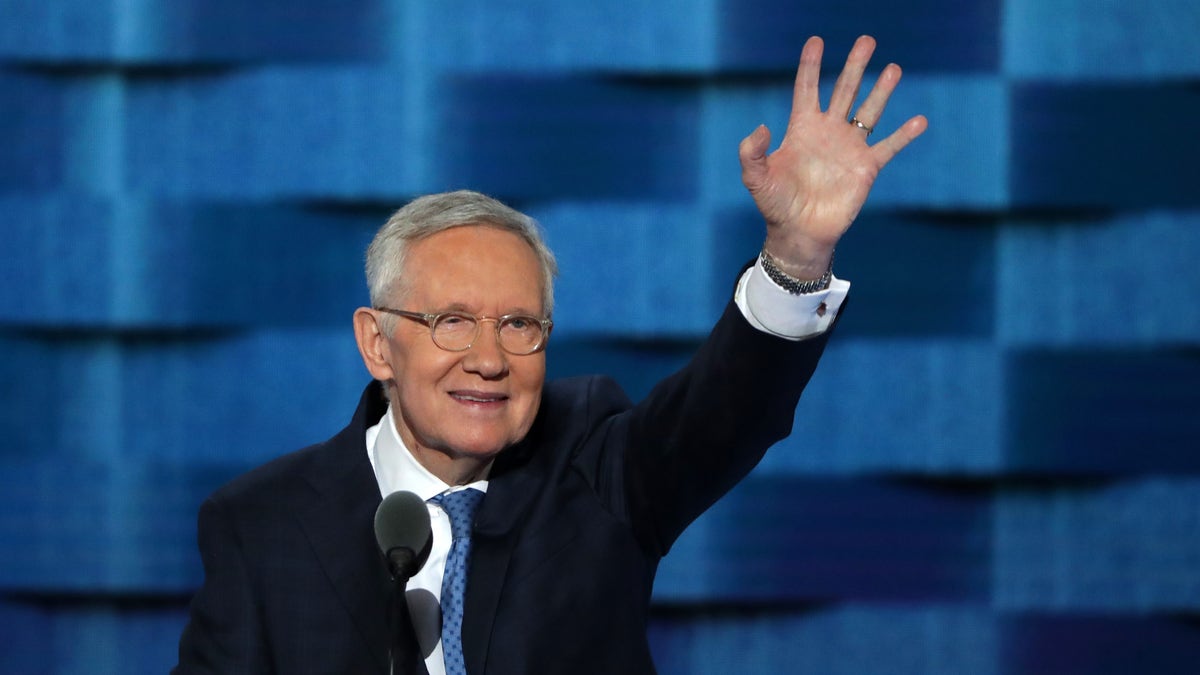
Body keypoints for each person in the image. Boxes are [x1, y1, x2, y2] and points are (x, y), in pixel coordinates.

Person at [173, 35, 927, 674]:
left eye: (520, 324)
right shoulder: (261, 523)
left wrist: (797, 252)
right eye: (452, 322)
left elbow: (724, 412)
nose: (489, 358)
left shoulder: (594, 462)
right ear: (378, 343)